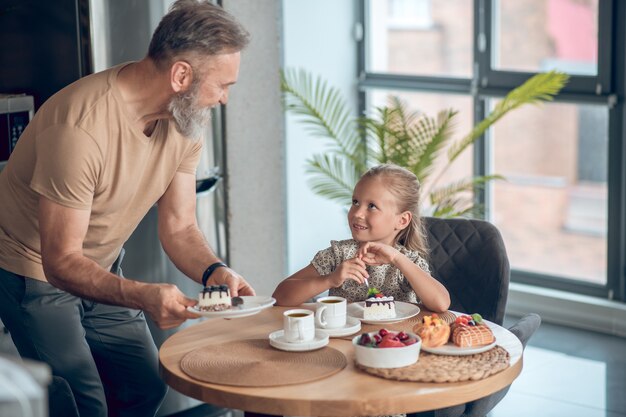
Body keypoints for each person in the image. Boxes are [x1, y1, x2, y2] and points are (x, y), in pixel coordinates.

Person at [0, 1, 255, 416]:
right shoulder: (81, 128)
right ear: (181, 75)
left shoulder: (185, 118)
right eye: (222, 85)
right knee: (82, 404)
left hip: (98, 262)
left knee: (144, 382)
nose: (224, 99)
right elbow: (59, 261)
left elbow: (179, 225)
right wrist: (143, 296)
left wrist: (214, 271)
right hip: (31, 269)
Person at [273, 164, 450, 313]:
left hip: (392, 345)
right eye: (355, 202)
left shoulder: (407, 262)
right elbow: (280, 297)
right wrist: (330, 280)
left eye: (372, 206)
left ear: (402, 220)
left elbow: (441, 303)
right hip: (344, 343)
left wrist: (397, 259)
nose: (357, 213)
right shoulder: (338, 255)